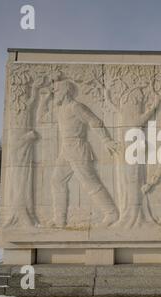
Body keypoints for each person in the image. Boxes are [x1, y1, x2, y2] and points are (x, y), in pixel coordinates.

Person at [39, 80, 119, 228]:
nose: (54, 94)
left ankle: (111, 213)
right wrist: (44, 100)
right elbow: (41, 119)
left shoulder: (76, 107)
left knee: (90, 182)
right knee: (57, 180)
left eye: (56, 91)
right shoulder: (60, 109)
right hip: (66, 149)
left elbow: (95, 122)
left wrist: (106, 140)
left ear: (65, 91)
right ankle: (59, 220)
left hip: (77, 147)